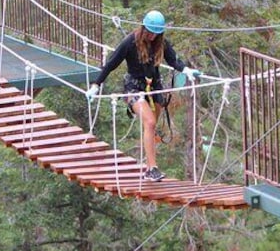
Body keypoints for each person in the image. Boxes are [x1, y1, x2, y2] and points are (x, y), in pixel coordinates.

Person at [86, 10, 201, 181]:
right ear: (144, 28)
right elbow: (110, 64)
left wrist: (186, 70)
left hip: (154, 87)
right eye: (150, 32)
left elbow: (173, 60)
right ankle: (152, 169)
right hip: (134, 88)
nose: (153, 36)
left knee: (151, 127)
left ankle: (149, 165)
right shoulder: (129, 42)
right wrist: (96, 85)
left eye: (157, 33)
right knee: (150, 121)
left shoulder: (161, 43)